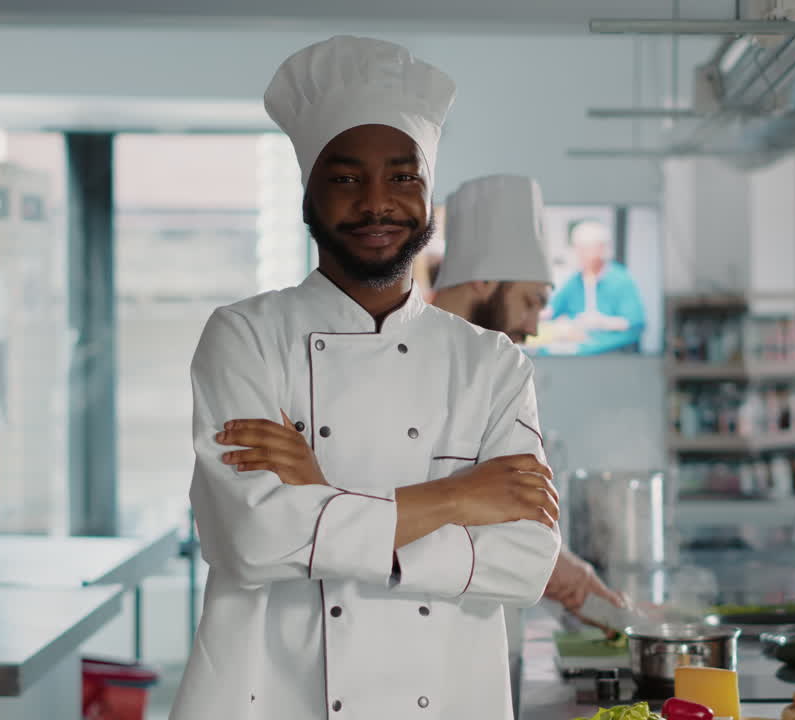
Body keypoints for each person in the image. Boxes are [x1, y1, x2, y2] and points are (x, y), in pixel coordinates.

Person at [171, 37, 561, 720]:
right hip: (274, 699)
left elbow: (528, 558)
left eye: (402, 177)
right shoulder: (245, 336)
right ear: (309, 194)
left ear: (427, 193)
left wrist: (319, 501)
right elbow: (252, 540)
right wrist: (457, 498)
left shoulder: (491, 362)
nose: (377, 203)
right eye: (347, 178)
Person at [431, 174, 628, 715]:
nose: (536, 325)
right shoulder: (409, 358)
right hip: (416, 648)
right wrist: (548, 564)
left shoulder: (497, 366)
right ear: (484, 282)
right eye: (531, 302)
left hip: (490, 631)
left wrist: (559, 565)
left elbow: (506, 505)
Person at [545, 219, 646, 355]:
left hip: (611, 351)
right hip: (579, 344)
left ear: (601, 249)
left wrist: (601, 322)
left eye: (585, 249)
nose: (579, 254)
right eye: (577, 248)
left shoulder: (620, 280)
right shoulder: (576, 280)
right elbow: (552, 309)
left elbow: (635, 322)